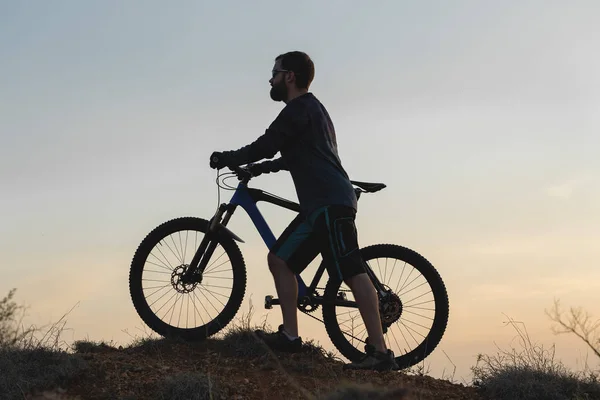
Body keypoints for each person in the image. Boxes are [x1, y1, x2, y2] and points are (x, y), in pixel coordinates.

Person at [209, 51, 398, 371]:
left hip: (329, 204)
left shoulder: (299, 109)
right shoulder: (311, 111)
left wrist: (228, 156)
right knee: (280, 259)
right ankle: (290, 337)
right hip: (319, 207)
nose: (270, 79)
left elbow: (268, 143)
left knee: (351, 271)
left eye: (274, 72)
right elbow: (293, 156)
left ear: (290, 76)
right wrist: (260, 169)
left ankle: (380, 353)